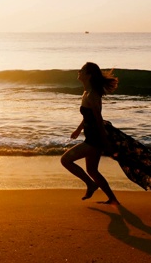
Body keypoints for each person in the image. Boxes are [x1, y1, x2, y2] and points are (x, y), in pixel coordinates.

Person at [61, 62, 120, 205]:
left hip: (95, 139)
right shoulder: (87, 92)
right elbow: (88, 116)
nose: (78, 71)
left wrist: (105, 143)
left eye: (81, 70)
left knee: (65, 160)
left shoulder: (93, 94)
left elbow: (98, 119)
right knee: (92, 170)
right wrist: (79, 129)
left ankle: (91, 185)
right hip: (92, 136)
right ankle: (113, 199)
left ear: (88, 75)